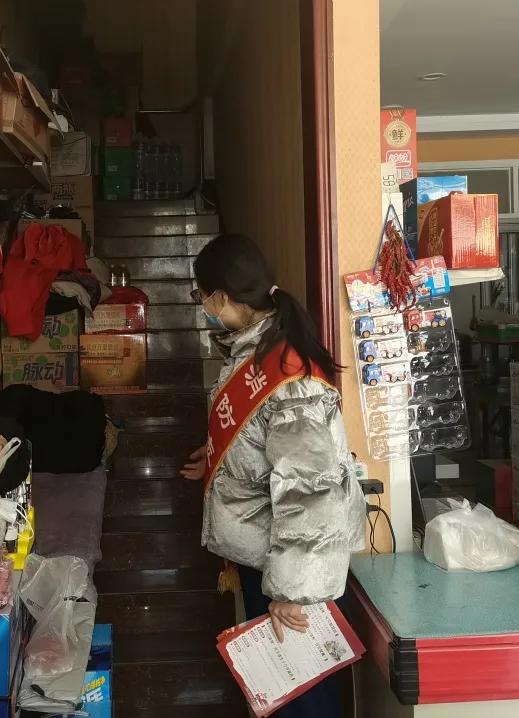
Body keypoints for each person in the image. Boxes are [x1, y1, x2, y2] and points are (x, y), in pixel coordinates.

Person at [180, 234, 366, 717]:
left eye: (202, 295)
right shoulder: (254, 353)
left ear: (221, 296)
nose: (203, 306)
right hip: (265, 554)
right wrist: (219, 456)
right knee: (282, 694)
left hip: (289, 567)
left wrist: (292, 592)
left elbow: (312, 489)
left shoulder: (289, 374)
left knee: (302, 698)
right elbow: (264, 443)